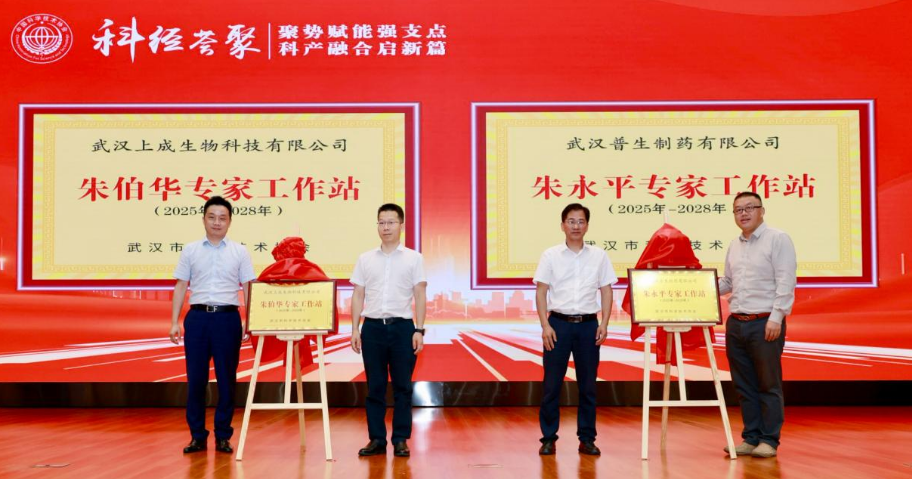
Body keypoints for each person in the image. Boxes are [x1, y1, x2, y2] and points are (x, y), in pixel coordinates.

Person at [169, 196, 256, 454]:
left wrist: (249, 321)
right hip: (197, 318)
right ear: (204, 219)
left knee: (227, 380)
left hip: (227, 319)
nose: (217, 222)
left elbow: (248, 287)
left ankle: (223, 436)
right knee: (196, 380)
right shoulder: (190, 250)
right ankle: (197, 436)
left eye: (222, 218)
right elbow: (181, 285)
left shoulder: (239, 251)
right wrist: (174, 322)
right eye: (212, 217)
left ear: (229, 221)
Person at [534, 203, 616, 456]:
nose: (576, 226)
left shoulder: (599, 255)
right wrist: (545, 325)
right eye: (571, 221)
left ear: (587, 226)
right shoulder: (550, 255)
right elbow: (541, 291)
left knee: (588, 386)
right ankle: (548, 438)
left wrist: (604, 323)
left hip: (588, 326)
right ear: (563, 225)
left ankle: (587, 439)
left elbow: (606, 290)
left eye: (581, 221)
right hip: (557, 325)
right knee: (552, 386)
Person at [718, 192, 797, 458]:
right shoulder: (734, 244)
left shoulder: (778, 239)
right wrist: (696, 285)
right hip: (736, 323)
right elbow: (728, 282)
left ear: (762, 211)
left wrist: (777, 317)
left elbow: (786, 280)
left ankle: (769, 440)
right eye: (738, 209)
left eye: (750, 207)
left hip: (764, 322)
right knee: (744, 385)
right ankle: (750, 438)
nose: (744, 213)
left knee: (768, 384)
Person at [350, 203, 427, 458]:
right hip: (372, 327)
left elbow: (420, 294)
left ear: (401, 225)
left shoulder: (414, 258)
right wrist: (355, 329)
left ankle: (401, 439)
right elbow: (358, 294)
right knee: (375, 386)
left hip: (403, 328)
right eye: (381, 222)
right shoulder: (365, 259)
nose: (386, 227)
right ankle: (377, 439)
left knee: (403, 386)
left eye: (391, 222)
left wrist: (419, 330)